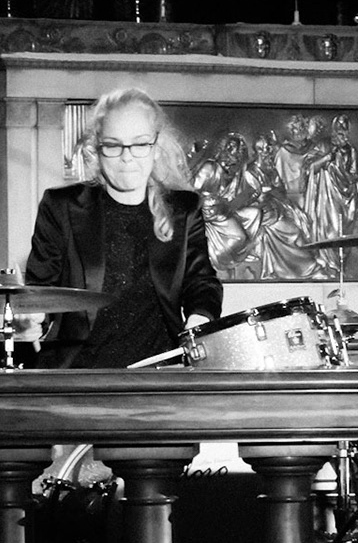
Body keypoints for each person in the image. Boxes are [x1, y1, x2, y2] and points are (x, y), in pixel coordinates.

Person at [23, 87, 223, 367]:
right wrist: (30, 317)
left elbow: (201, 282)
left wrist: (200, 316)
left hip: (160, 369)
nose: (127, 157)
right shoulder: (62, 206)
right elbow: (39, 289)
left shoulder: (183, 209)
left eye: (140, 144)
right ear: (98, 148)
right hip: (78, 373)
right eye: (113, 145)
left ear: (156, 147)